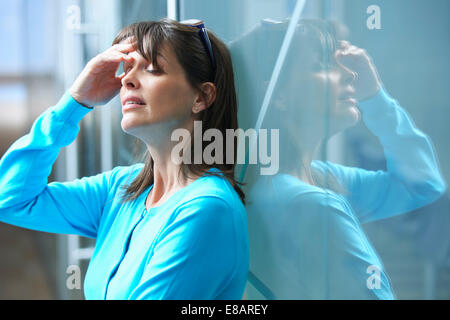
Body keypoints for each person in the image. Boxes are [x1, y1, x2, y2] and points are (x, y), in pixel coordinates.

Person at [0, 19, 249, 300]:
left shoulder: (205, 209)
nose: (127, 80)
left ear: (201, 97)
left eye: (152, 69)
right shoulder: (122, 187)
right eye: (127, 68)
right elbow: (11, 199)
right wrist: (75, 101)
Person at [230, 19, 446, 299]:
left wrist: (375, 97)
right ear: (277, 94)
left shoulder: (306, 179)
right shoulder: (312, 203)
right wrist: (375, 100)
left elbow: (422, 185)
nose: (350, 76)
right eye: (323, 65)